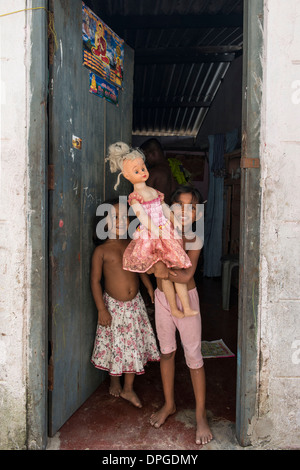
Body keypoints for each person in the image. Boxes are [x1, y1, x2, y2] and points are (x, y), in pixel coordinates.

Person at [149, 186, 213, 446]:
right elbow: (149, 264)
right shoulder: (160, 233)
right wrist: (158, 269)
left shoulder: (194, 239)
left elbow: (187, 275)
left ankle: (200, 416)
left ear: (196, 214)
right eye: (180, 206)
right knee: (166, 352)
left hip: (188, 299)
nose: (184, 212)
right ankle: (169, 404)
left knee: (194, 358)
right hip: (163, 299)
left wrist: (163, 271)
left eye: (191, 208)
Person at [106, 142, 199, 319]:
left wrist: (174, 222)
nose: (142, 172)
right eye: (136, 171)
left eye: (143, 168)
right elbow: (142, 217)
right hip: (153, 235)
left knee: (175, 267)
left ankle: (185, 307)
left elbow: (164, 208)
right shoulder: (135, 197)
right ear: (126, 175)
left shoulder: (154, 191)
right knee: (164, 276)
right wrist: (155, 229)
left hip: (165, 231)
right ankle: (174, 309)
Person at [90, 198, 160, 408]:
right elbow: (94, 281)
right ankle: (114, 380)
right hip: (113, 307)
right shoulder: (102, 251)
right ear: (103, 223)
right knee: (115, 345)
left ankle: (128, 388)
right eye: (114, 217)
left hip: (134, 306)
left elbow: (138, 268)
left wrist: (148, 286)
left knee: (133, 346)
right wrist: (101, 309)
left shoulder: (130, 243)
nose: (120, 221)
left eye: (124, 217)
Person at [140, 138, 177, 205]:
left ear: (153, 153)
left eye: (145, 156)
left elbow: (143, 199)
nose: (145, 160)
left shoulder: (153, 173)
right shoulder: (173, 170)